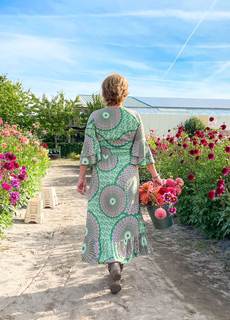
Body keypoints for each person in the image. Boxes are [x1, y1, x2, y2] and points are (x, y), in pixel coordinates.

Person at [77, 74, 162, 294]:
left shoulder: (95, 117)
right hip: (127, 177)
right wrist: (155, 176)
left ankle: (112, 262)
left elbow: (88, 149)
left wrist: (82, 177)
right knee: (124, 220)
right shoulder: (134, 117)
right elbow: (143, 150)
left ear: (104, 92)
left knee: (104, 221)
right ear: (125, 91)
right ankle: (118, 262)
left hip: (103, 176)